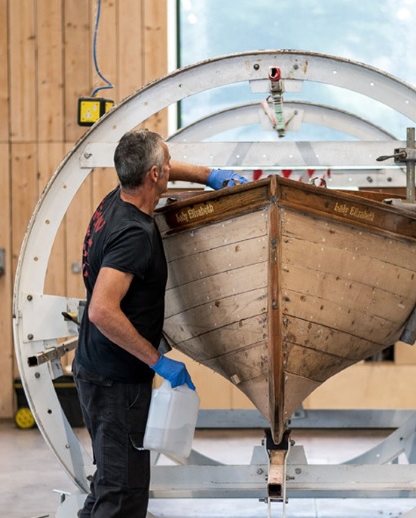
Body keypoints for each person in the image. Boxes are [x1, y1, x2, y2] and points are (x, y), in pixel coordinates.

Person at [73, 128, 247, 518]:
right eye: (168, 164)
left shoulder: (116, 198)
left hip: (97, 370)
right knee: (123, 496)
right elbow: (102, 310)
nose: (171, 168)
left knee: (109, 485)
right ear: (154, 174)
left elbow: (159, 166)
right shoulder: (134, 234)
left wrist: (208, 176)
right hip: (117, 382)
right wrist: (158, 361)